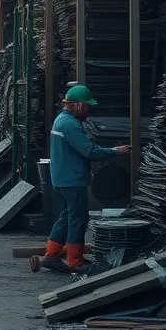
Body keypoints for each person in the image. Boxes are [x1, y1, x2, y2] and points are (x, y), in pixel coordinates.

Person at [35, 84, 130, 273]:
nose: (88, 110)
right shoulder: (70, 124)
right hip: (72, 179)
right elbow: (88, 151)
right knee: (78, 217)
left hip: (62, 178)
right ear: (77, 105)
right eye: (87, 106)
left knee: (66, 216)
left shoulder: (61, 120)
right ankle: (75, 260)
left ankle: (51, 255)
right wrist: (115, 151)